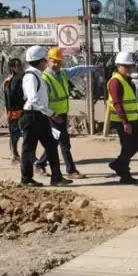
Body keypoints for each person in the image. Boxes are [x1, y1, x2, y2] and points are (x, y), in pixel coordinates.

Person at [34, 47, 99, 179]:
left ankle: (40, 164)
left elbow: (76, 70)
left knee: (55, 141)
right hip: (52, 115)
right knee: (64, 142)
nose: (57, 64)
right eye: (54, 61)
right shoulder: (45, 78)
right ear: (48, 61)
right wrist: (51, 114)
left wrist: (92, 67)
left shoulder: (62, 73)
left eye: (59, 62)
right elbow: (42, 100)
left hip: (62, 113)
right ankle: (71, 170)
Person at [18, 45, 72, 187]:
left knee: (51, 145)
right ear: (40, 61)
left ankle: (56, 177)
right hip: (31, 116)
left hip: (40, 116)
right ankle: (26, 179)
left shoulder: (38, 74)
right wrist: (52, 113)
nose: (47, 62)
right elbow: (33, 99)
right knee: (29, 149)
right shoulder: (30, 76)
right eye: (45, 60)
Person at [106, 51, 138, 185]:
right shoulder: (115, 82)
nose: (129, 69)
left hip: (133, 118)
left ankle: (118, 164)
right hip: (121, 121)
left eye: (130, 66)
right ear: (118, 66)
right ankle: (125, 174)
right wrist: (124, 122)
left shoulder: (128, 81)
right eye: (126, 66)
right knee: (127, 146)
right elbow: (117, 103)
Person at [2, 58, 24, 165]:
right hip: (14, 112)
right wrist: (7, 112)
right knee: (15, 135)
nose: (19, 67)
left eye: (20, 65)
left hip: (23, 111)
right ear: (12, 68)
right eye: (17, 66)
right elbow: (7, 98)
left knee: (26, 135)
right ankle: (15, 155)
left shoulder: (23, 78)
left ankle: (28, 155)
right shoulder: (9, 81)